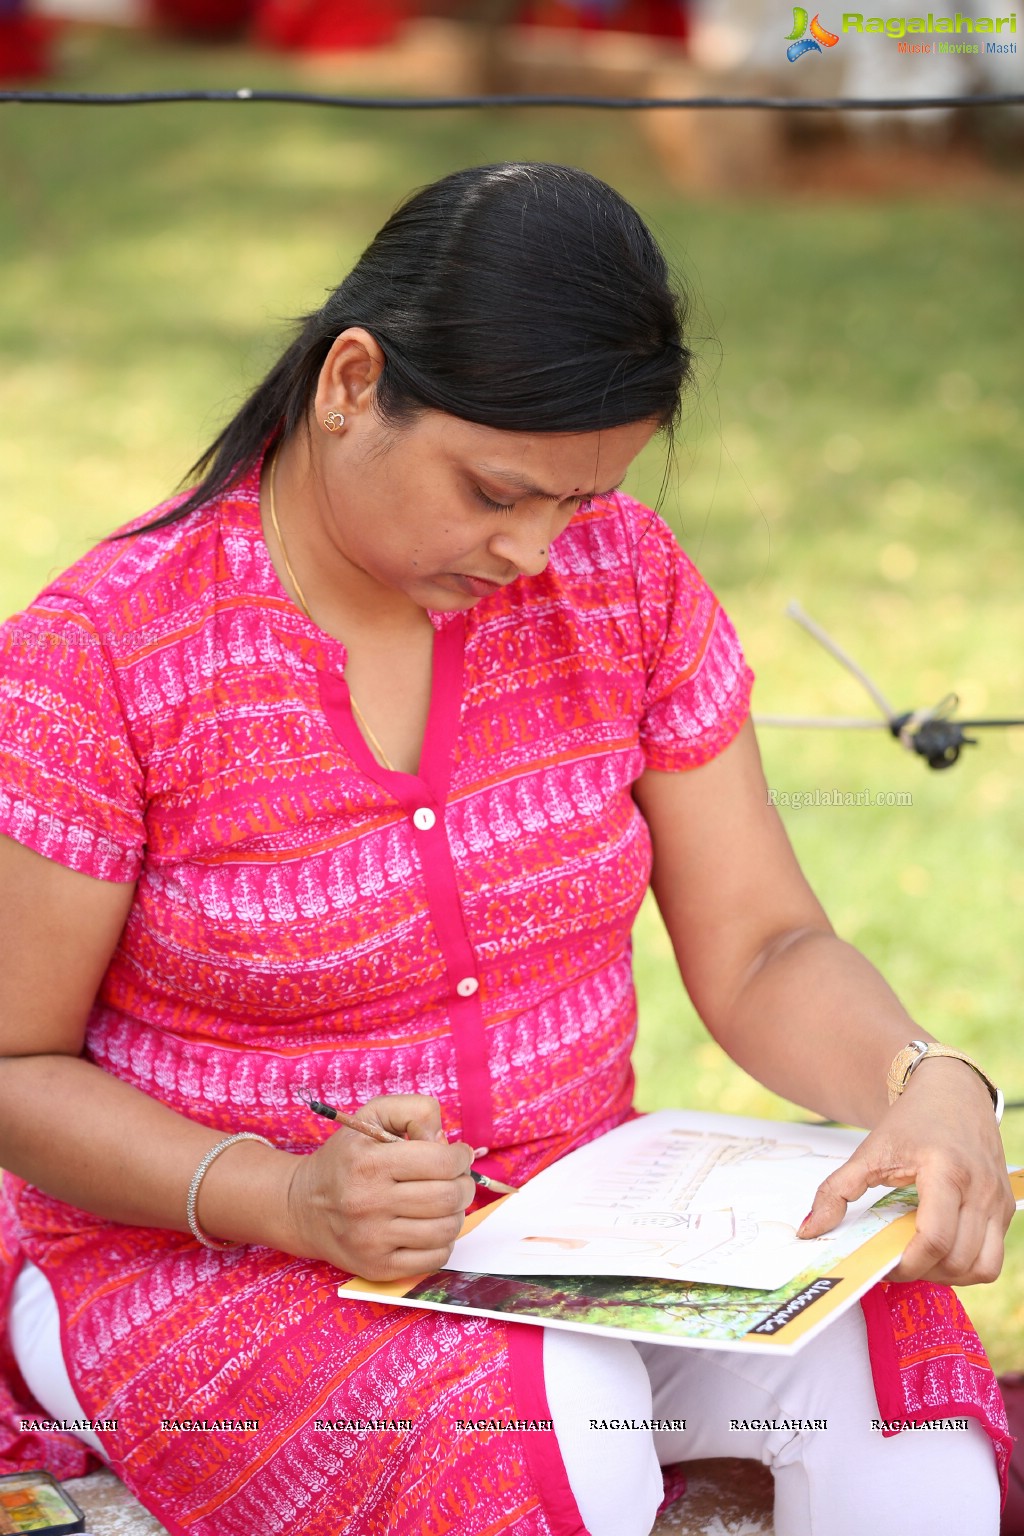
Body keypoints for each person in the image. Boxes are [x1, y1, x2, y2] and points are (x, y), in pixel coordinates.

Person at [0, 161, 1014, 1536]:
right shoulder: (109, 658)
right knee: (553, 1440)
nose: (536, 554)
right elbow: (14, 1065)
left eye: (577, 503)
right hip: (198, 1261)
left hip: (578, 1236)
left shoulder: (629, 588)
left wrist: (927, 1078)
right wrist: (290, 1197)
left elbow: (766, 945)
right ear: (352, 383)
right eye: (495, 491)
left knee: (907, 1418)